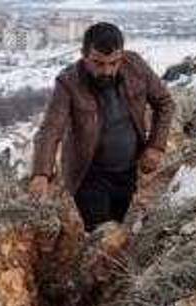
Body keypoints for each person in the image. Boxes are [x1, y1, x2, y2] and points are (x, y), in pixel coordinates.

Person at [28, 22, 175, 230]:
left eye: (113, 63)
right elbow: (51, 129)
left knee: (118, 224)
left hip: (128, 170)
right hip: (89, 174)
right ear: (84, 55)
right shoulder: (68, 82)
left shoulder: (136, 66)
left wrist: (156, 146)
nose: (107, 71)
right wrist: (41, 173)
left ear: (121, 56)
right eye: (98, 63)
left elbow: (165, 103)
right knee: (100, 232)